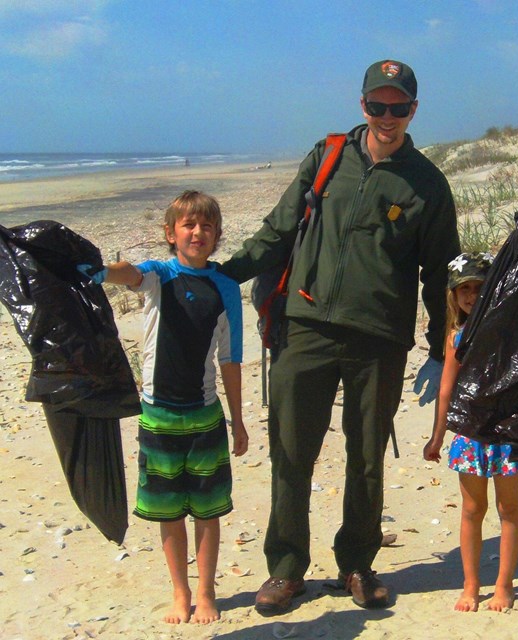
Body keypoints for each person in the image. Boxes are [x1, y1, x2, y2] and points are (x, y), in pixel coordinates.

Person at [219, 60, 460, 614]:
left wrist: (443, 343)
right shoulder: (327, 156)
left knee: (367, 457)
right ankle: (285, 570)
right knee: (290, 452)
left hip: (379, 337)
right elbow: (279, 230)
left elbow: (440, 272)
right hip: (304, 328)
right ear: (363, 106)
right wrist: (221, 275)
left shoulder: (427, 183)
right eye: (378, 105)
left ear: (413, 111)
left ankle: (357, 564)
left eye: (398, 107)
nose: (388, 116)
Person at [78, 190, 248, 624]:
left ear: (217, 235)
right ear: (171, 233)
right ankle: (180, 592)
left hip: (205, 413)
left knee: (207, 512)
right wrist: (97, 271)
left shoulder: (225, 288)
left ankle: (207, 592)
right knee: (168, 511)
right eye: (188, 225)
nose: (197, 233)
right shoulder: (159, 275)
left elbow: (230, 359)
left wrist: (240, 422)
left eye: (206, 226)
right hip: (158, 415)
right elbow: (128, 273)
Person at [423, 252, 518, 613]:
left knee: (508, 507)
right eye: (464, 289)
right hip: (470, 433)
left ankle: (504, 584)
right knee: (472, 509)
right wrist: (438, 435)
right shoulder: (456, 337)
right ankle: (471, 583)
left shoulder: (510, 330)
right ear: (454, 295)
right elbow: (446, 388)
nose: (471, 295)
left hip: (506, 432)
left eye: (479, 287)